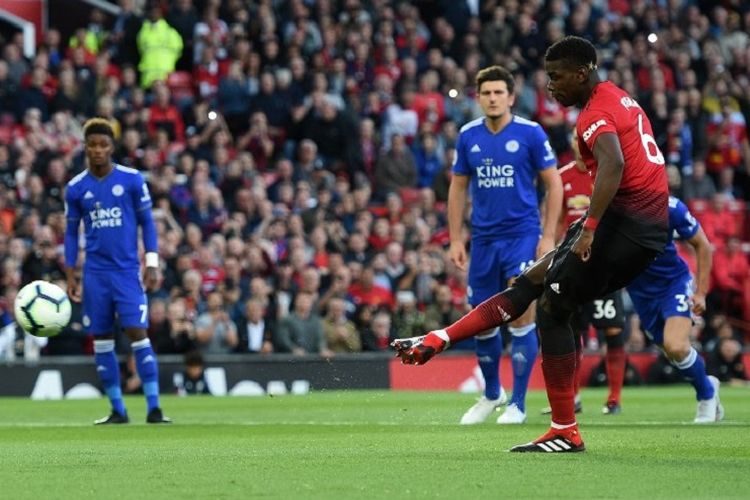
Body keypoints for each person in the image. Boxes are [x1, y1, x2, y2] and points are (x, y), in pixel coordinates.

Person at [393, 37, 670, 452]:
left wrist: (590, 226)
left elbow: (614, 162)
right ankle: (440, 338)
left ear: (582, 73)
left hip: (625, 226)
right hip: (633, 222)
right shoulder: (618, 97)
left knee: (554, 311)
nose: (551, 88)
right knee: (529, 283)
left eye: (557, 78)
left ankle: (564, 429)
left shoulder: (594, 114)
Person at [447, 65, 562, 425]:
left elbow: (553, 185)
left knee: (520, 315)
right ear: (478, 98)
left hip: (522, 235)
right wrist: (455, 238)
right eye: (486, 93)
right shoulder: (468, 136)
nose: (493, 98)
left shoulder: (530, 133)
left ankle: (518, 403)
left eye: (499, 92)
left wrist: (546, 236)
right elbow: (457, 188)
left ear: (511, 97)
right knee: (482, 320)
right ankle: (492, 393)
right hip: (483, 239)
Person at [65, 118, 171, 424]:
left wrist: (151, 262)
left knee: (138, 333)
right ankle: (117, 410)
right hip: (95, 275)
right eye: (92, 145)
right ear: (85, 147)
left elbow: (148, 224)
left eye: (103, 144)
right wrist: (71, 273)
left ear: (112, 147)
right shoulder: (76, 188)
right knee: (101, 339)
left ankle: (154, 407)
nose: (98, 150)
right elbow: (71, 235)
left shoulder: (132, 180)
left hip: (126, 272)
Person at [541, 130, 628, 416]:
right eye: (576, 143)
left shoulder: (607, 173)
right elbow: (553, 223)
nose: (581, 148)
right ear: (571, 146)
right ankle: (574, 396)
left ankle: (614, 399)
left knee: (613, 329)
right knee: (571, 328)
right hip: (572, 264)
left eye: (586, 144)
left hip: (604, 264)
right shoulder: (562, 177)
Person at [627, 196, 723, 423]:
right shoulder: (611, 207)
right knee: (671, 351)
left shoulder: (670, 207)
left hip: (673, 283)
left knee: (676, 345)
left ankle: (706, 397)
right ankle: (708, 383)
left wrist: (700, 292)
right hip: (639, 291)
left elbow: (703, 244)